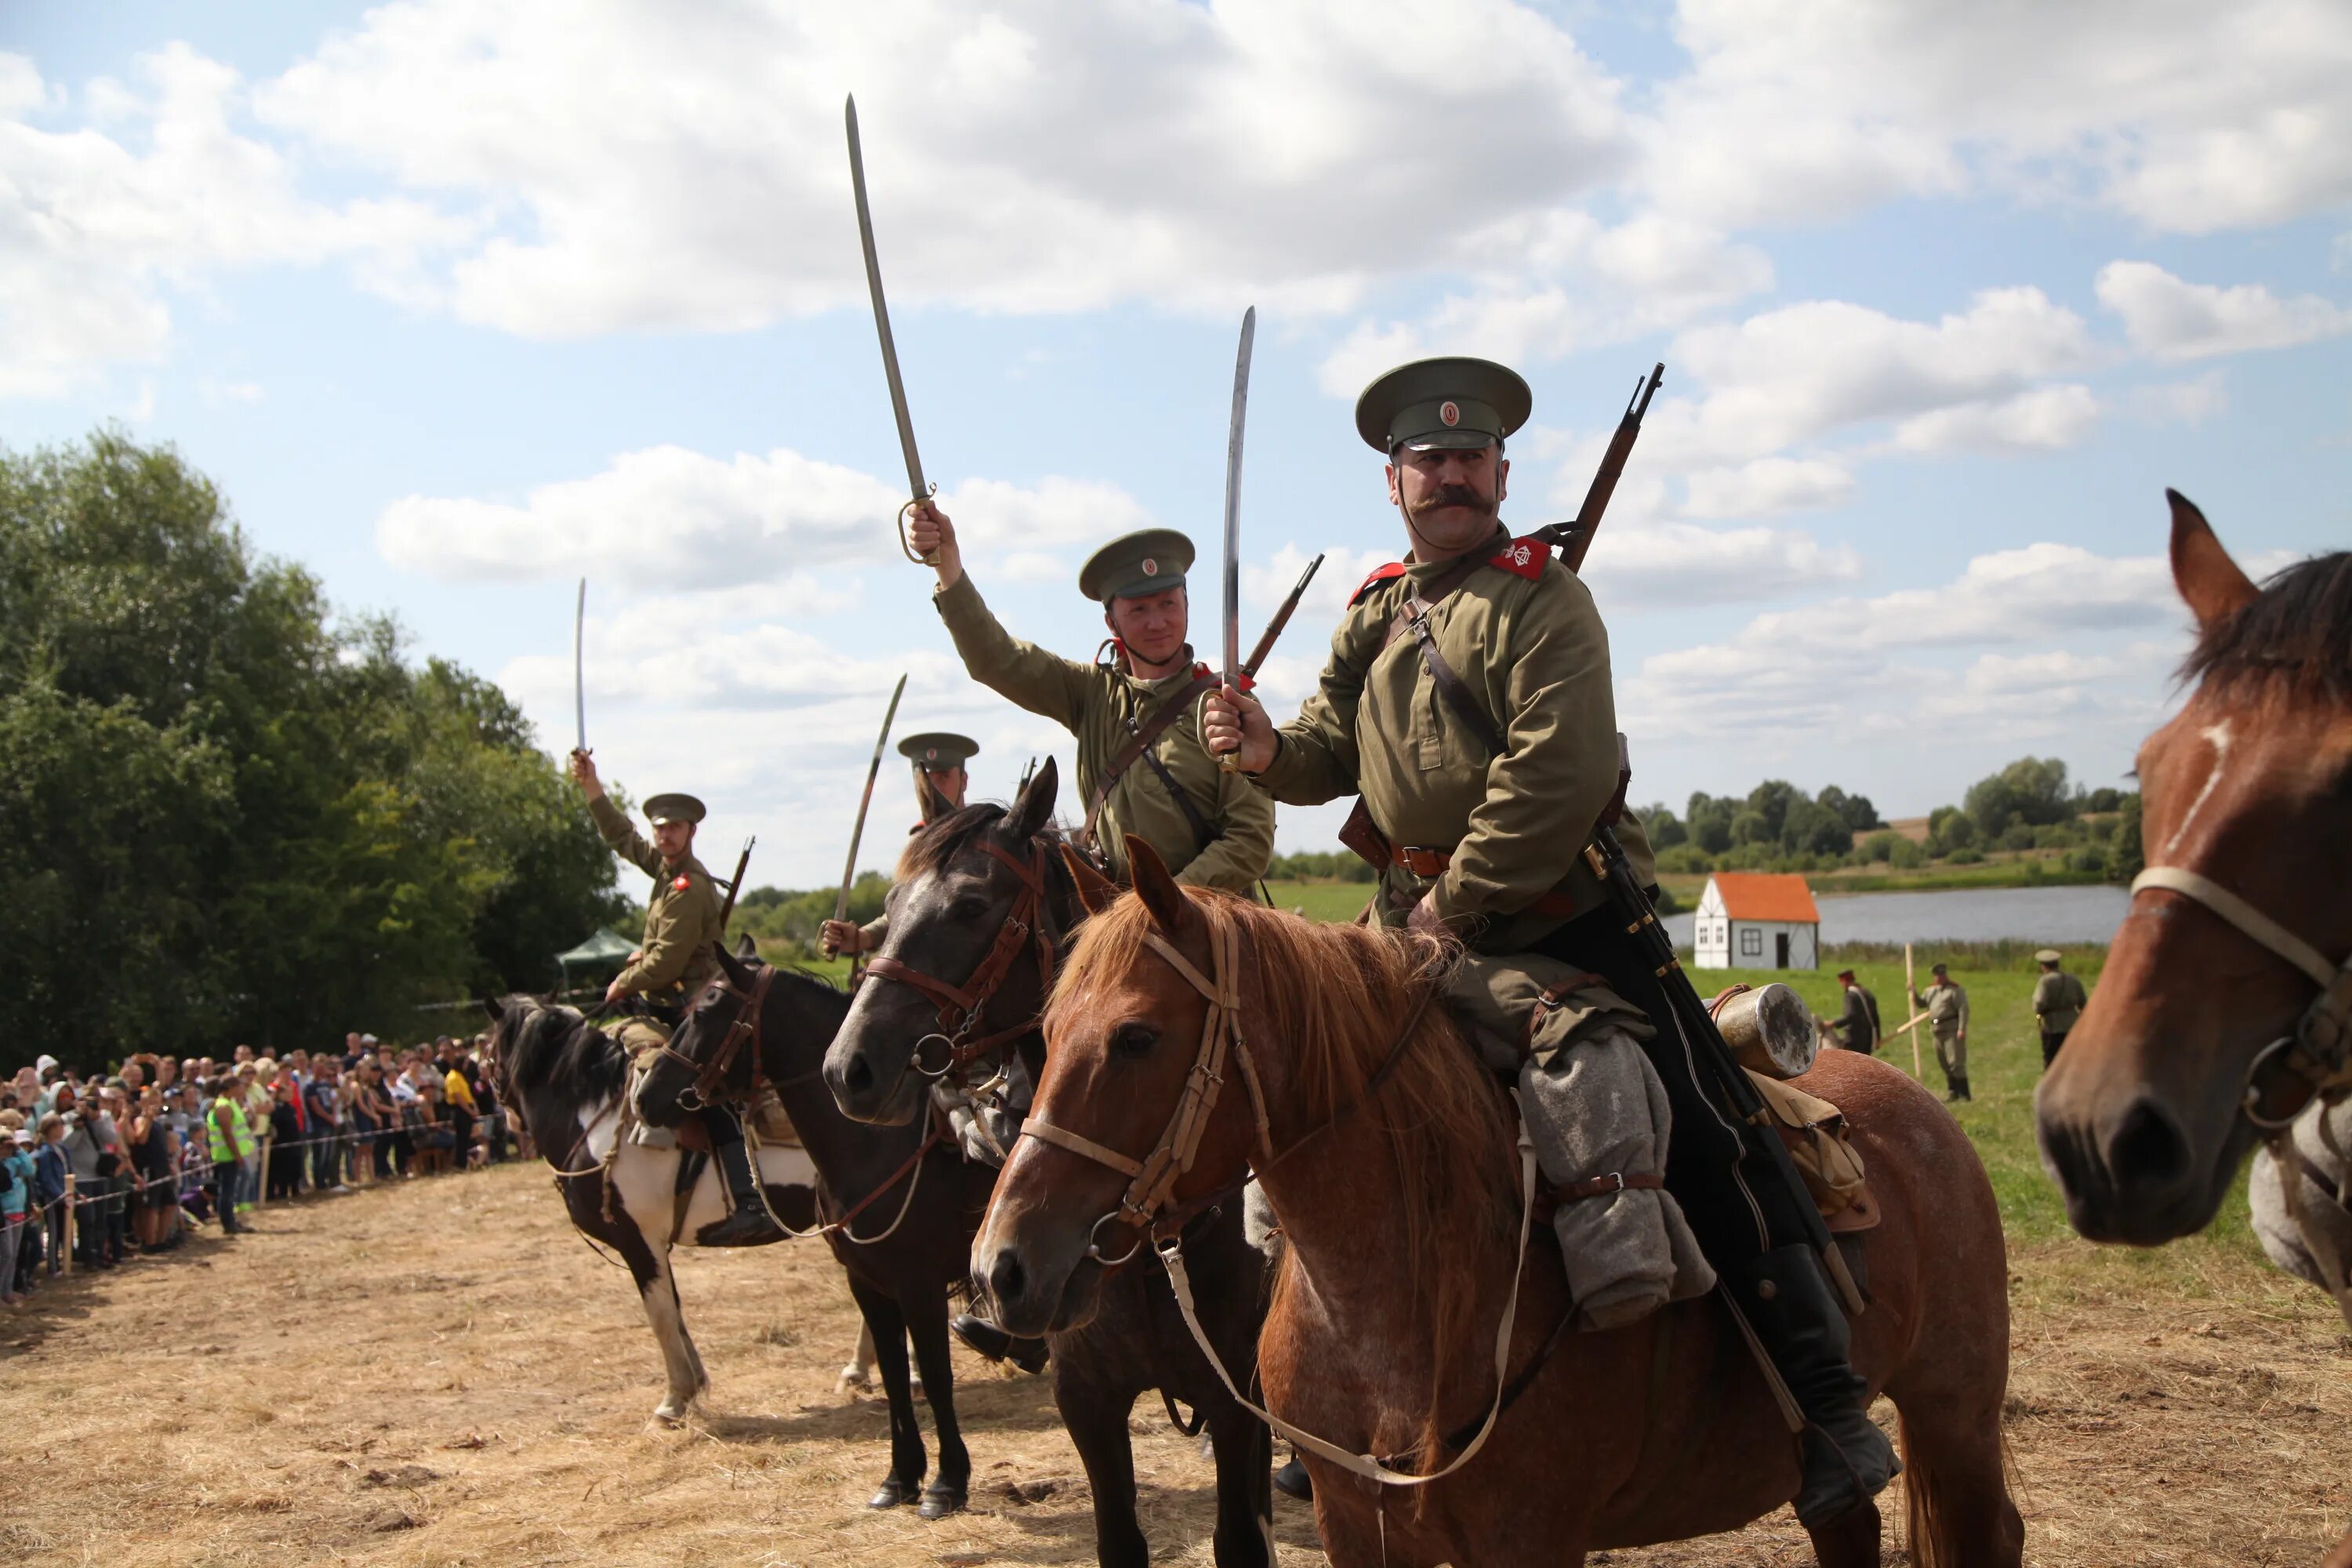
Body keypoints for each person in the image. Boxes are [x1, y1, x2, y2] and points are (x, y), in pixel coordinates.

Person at [1202, 355, 1896, 1530]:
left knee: (1700, 1121)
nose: (1452, 473)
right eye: (1430, 459)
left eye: (1471, 458)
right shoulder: (1375, 611)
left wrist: (1451, 909)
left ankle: (1822, 1402)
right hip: (1400, 930)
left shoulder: (1546, 602)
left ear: (1503, 473)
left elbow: (1552, 777)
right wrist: (1267, 747)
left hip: (1557, 928)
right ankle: (1339, 1392)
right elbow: (1330, 754)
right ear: (1395, 482)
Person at [904, 506, 1275, 893]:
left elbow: (1250, 840)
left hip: (1210, 925)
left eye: (1168, 603)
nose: (1157, 622)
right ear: (1111, 622)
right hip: (1111, 921)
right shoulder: (1090, 693)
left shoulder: (1230, 703)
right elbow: (998, 660)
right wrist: (948, 568)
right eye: (1138, 609)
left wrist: (1165, 905)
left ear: (1186, 603)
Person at [569, 753, 779, 1247]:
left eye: (673, 829)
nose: (663, 837)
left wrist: (626, 981)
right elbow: (623, 839)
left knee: (708, 1087)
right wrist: (592, 789)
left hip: (694, 1006)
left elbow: (665, 964)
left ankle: (750, 1199)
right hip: (672, 1000)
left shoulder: (686, 887)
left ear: (691, 833)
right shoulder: (668, 872)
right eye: (660, 829)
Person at [1912, 962, 1972, 1102]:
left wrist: (1961, 1029)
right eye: (1937, 975)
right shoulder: (1931, 991)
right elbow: (1921, 1003)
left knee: (1956, 1062)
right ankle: (1953, 1092)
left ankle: (1964, 1093)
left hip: (1951, 1029)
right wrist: (1913, 992)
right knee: (1944, 1062)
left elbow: (1963, 1009)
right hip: (1937, 1031)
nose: (1940, 977)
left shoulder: (1955, 990)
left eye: (1942, 974)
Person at [205, 1078, 258, 1234]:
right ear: (231, 1088)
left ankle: (232, 1220)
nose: (243, 1089)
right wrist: (237, 1155)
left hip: (234, 1154)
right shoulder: (223, 1107)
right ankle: (228, 1223)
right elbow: (227, 1134)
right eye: (239, 1086)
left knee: (231, 1190)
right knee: (227, 1191)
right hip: (226, 1155)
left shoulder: (231, 1103)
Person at [2031, 949, 2088, 1071]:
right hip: (2072, 1025)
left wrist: (2039, 1013)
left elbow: (2038, 1003)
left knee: (2051, 1060)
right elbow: (2083, 1003)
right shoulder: (2073, 980)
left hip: (2053, 1026)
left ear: (2044, 966)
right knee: (2071, 1059)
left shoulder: (2045, 981)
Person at [1828, 968, 1880, 1054]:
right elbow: (1875, 1017)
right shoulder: (1867, 993)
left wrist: (1833, 1023)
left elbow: (1850, 1016)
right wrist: (1877, 1038)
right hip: (1868, 1040)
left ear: (1844, 981)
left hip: (1854, 1041)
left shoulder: (1850, 996)